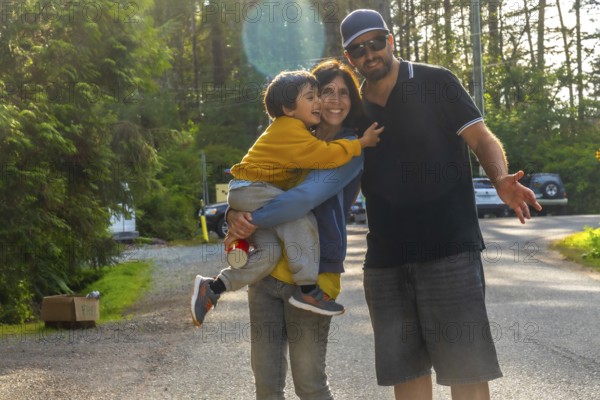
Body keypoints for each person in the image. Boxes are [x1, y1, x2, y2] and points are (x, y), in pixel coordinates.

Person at [339, 9, 542, 400]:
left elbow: (482, 139)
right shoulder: (353, 108)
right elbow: (325, 168)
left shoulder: (436, 82)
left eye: (375, 43)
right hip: (385, 262)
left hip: (450, 251)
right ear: (350, 58)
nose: (370, 54)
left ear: (390, 41)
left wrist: (500, 179)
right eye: (358, 50)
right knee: (408, 374)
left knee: (466, 370)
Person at [191, 69, 382, 327]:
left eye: (341, 93)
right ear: (288, 108)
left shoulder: (293, 129)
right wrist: (361, 143)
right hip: (253, 189)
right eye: (314, 96)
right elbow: (323, 157)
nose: (321, 102)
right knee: (301, 220)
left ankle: (213, 287)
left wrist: (245, 220)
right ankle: (307, 290)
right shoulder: (293, 131)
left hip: (251, 193)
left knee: (267, 255)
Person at [226, 59, 371, 399]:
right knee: (266, 382)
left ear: (352, 100)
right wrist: (232, 213)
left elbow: (303, 199)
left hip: (315, 275)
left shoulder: (350, 150)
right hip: (266, 273)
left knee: (309, 384)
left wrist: (248, 221)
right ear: (308, 100)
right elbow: (253, 184)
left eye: (343, 93)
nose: (333, 101)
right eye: (324, 92)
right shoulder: (287, 136)